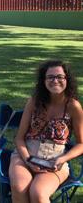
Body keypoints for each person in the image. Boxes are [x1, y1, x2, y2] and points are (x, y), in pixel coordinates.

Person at [9, 60, 83, 203]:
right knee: (19, 187)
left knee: (38, 193)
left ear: (67, 79)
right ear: (43, 81)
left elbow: (81, 144)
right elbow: (19, 138)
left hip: (54, 161)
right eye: (50, 77)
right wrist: (28, 160)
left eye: (60, 77)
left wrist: (63, 159)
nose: (55, 80)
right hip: (25, 156)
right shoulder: (34, 102)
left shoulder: (73, 107)